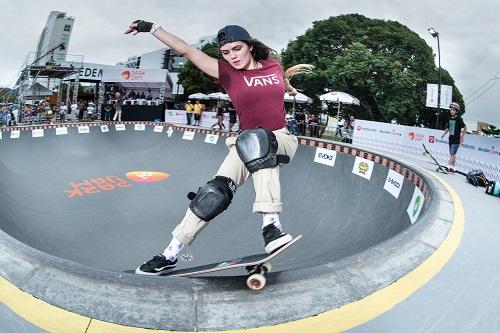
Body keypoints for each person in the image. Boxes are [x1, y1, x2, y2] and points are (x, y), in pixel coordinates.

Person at [125, 20, 313, 275]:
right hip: (245, 142)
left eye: (237, 49)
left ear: (249, 46)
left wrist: (290, 88)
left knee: (257, 140)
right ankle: (170, 253)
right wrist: (152, 28)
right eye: (226, 53)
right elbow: (186, 50)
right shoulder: (227, 73)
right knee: (213, 193)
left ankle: (271, 226)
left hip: (281, 139)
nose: (232, 56)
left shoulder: (272, 66)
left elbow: (283, 82)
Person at [441, 102, 466, 172]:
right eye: (451, 110)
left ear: (457, 111)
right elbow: (448, 128)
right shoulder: (450, 119)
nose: (452, 111)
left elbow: (465, 128)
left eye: (454, 110)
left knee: (452, 154)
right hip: (450, 139)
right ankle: (454, 168)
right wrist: (444, 134)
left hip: (456, 139)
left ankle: (448, 167)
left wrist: (462, 137)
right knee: (452, 154)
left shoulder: (459, 119)